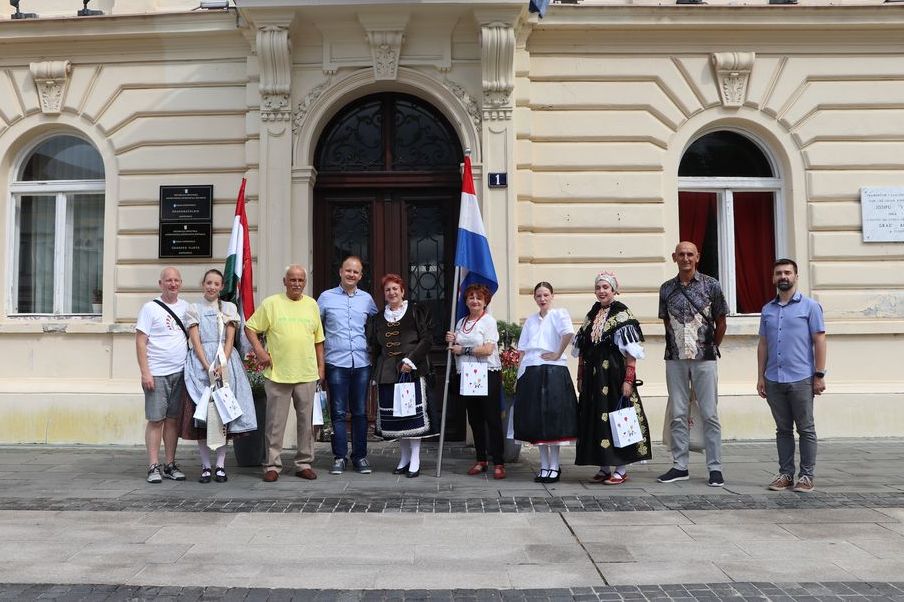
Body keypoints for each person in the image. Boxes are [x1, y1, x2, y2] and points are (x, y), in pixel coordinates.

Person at [244, 265, 325, 482]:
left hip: (306, 373)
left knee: (306, 423)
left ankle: (304, 463)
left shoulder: (312, 305)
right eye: (293, 280)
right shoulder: (271, 304)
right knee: (274, 423)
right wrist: (260, 351)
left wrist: (321, 368)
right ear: (284, 281)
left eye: (300, 280)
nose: (297, 283)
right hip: (278, 374)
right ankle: (272, 465)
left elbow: (319, 340)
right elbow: (250, 328)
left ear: (304, 282)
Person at [658, 241, 728, 487]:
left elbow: (721, 321)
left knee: (709, 414)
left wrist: (711, 346)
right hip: (675, 358)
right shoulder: (666, 289)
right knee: (677, 414)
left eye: (690, 254)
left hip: (704, 357)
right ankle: (680, 466)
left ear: (697, 257)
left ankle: (715, 468)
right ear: (674, 257)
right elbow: (666, 322)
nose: (685, 258)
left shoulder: (712, 285)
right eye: (681, 254)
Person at [574, 272, 652, 484]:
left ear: (615, 290)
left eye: (606, 287)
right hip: (593, 377)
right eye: (598, 287)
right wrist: (580, 374)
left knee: (617, 418)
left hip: (613, 375)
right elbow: (582, 347)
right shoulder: (592, 314)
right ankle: (603, 466)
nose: (601, 291)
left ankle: (621, 468)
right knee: (595, 418)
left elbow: (631, 352)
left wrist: (628, 379)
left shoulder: (622, 314)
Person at [757, 258, 827, 493]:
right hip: (774, 378)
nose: (783, 276)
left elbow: (819, 340)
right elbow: (763, 344)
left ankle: (806, 476)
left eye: (787, 272)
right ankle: (785, 474)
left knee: (806, 429)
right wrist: (760, 377)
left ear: (796, 276)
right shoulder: (767, 309)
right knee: (783, 430)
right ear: (773, 278)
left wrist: (819, 375)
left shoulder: (810, 307)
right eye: (778, 273)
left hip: (801, 378)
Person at [181, 269, 257, 483]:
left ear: (222, 287)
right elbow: (195, 340)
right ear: (203, 284)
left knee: (223, 415)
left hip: (225, 364)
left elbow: (230, 340)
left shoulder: (229, 308)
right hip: (200, 364)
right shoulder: (193, 308)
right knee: (204, 416)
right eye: (209, 283)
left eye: (216, 283)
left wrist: (221, 363)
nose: (212, 287)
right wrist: (207, 365)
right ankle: (206, 466)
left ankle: (221, 466)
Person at [368, 274, 436, 478]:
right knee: (398, 419)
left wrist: (411, 359)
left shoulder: (416, 311)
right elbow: (375, 347)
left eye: (395, 289)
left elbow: (427, 339)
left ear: (403, 291)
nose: (392, 293)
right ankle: (404, 457)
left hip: (412, 370)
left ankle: (415, 459)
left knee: (412, 418)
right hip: (388, 373)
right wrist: (375, 372)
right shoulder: (378, 318)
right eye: (388, 290)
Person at [317, 256, 379, 475]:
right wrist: (319, 364)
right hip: (336, 362)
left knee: (361, 412)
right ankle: (339, 457)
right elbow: (315, 330)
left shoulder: (367, 300)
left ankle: (360, 457)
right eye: (348, 270)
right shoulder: (325, 298)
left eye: (356, 272)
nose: (352, 275)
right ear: (341, 272)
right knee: (338, 412)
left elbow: (378, 328)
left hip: (362, 363)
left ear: (361, 276)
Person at [514, 282, 578, 484]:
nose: (542, 299)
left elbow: (568, 333)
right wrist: (518, 376)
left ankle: (554, 465)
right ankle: (543, 465)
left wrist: (557, 353)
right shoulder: (531, 320)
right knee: (537, 419)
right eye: (539, 295)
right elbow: (522, 349)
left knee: (553, 418)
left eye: (546, 295)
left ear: (552, 296)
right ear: (534, 298)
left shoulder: (559, 314)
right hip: (532, 369)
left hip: (553, 370)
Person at [135, 267, 189, 484]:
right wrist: (145, 372)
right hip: (156, 374)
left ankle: (170, 464)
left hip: (180, 372)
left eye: (176, 280)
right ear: (161, 283)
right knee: (156, 420)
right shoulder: (150, 308)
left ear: (181, 283)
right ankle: (153, 465)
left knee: (173, 420)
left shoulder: (186, 308)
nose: (172, 284)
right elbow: (140, 341)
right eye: (168, 280)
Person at [445, 284, 505, 479]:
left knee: (492, 418)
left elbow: (487, 350)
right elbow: (455, 347)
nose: (475, 301)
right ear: (466, 301)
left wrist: (464, 350)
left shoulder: (488, 321)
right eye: (471, 297)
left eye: (479, 298)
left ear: (485, 301)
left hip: (487, 373)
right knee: (475, 419)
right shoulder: (461, 322)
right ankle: (481, 459)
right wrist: (452, 340)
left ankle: (498, 461)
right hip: (468, 374)